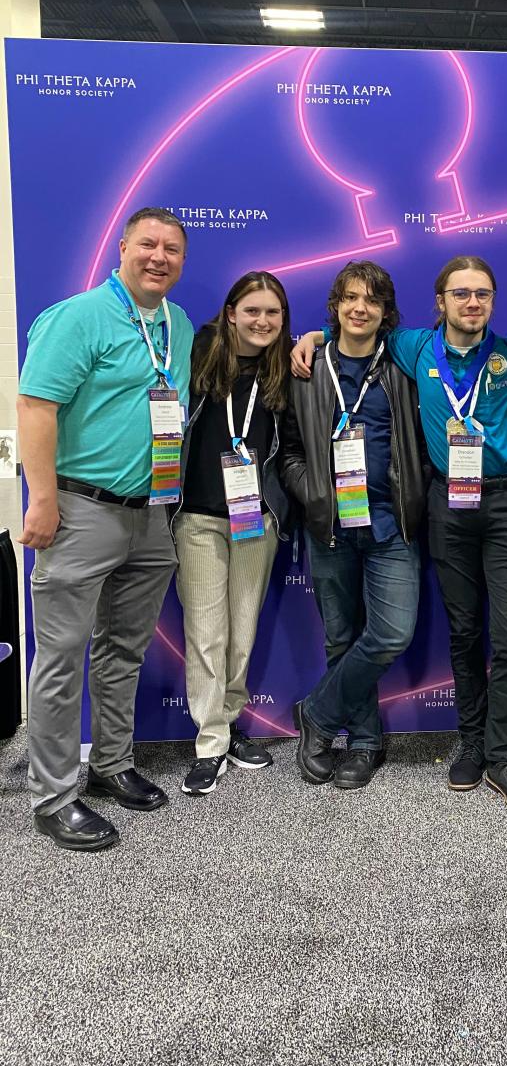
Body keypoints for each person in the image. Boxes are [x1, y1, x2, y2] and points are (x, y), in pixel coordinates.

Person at [291, 256, 507, 814]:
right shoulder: (410, 349)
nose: (471, 302)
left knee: (502, 636)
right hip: (404, 512)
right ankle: (444, 743)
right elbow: (296, 425)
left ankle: (502, 755)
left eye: (482, 293)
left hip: (483, 504)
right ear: (440, 302)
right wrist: (311, 335)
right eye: (461, 293)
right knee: (456, 632)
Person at [17, 207, 193, 851]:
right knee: (61, 655)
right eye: (147, 244)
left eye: (172, 249)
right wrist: (41, 499)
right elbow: (36, 407)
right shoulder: (79, 316)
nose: (159, 257)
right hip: (80, 508)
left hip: (151, 512)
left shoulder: (177, 326)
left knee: (124, 649)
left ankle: (111, 762)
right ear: (121, 248)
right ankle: (54, 794)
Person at [282, 261, 426, 792]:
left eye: (370, 300)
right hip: (331, 527)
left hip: (392, 525)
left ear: (386, 312)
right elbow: (290, 450)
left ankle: (317, 714)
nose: (359, 308)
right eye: (349, 298)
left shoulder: (404, 367)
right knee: (341, 638)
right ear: (336, 305)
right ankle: (364, 742)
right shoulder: (306, 366)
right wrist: (313, 491)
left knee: (390, 632)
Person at [174, 272, 292, 796]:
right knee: (207, 632)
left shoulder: (285, 368)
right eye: (252, 311)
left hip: (254, 518)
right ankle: (210, 743)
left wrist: (309, 339)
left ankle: (227, 722)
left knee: (241, 630)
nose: (262, 321)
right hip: (198, 516)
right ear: (230, 313)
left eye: (273, 313)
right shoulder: (199, 351)